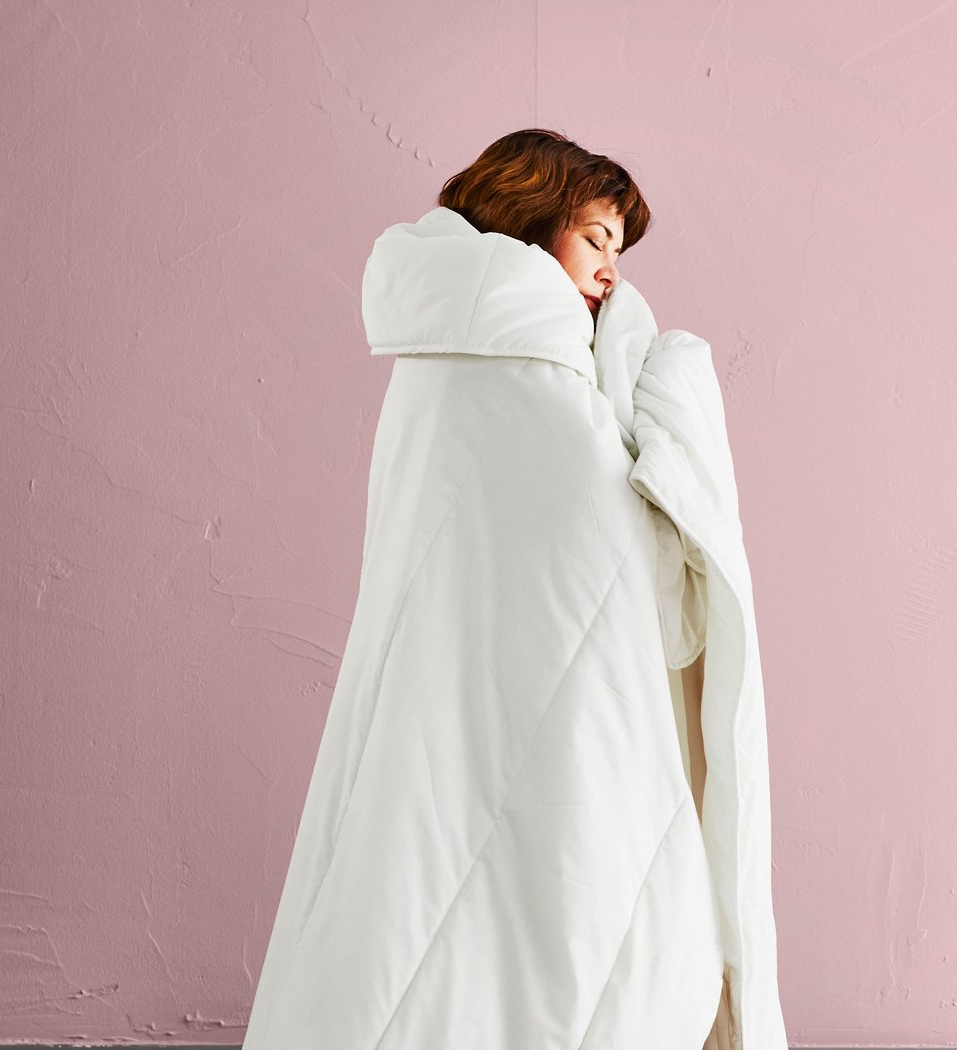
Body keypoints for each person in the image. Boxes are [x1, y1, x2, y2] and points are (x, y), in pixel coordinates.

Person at [241, 129, 785, 1048]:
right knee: (566, 927)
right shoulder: (531, 364)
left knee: (428, 907)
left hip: (458, 702)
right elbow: (615, 551)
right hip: (559, 709)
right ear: (533, 219)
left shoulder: (436, 350)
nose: (612, 272)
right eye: (596, 238)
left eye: (621, 249)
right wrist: (675, 405)